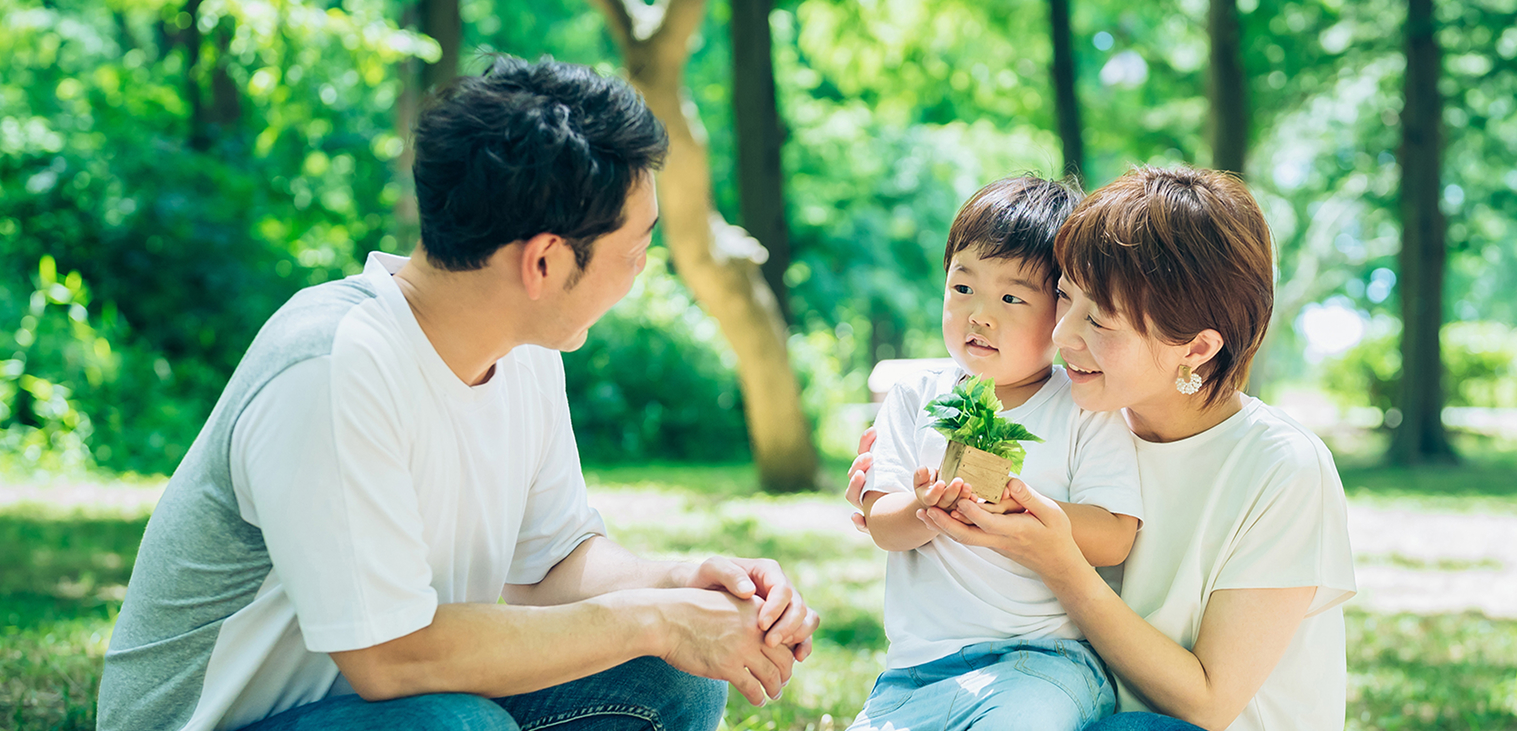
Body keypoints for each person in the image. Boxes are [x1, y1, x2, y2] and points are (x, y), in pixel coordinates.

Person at [98, 55, 819, 731]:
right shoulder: (333, 365)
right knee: (458, 725)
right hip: (226, 719)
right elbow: (391, 656)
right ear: (543, 261)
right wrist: (653, 619)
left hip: (379, 707)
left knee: (670, 678)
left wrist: (685, 583)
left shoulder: (524, 351)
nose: (641, 272)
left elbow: (553, 566)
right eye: (634, 252)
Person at [848, 167, 1356, 731]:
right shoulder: (1087, 418)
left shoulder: (1281, 468)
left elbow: (1207, 704)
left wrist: (1060, 562)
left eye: (1100, 320)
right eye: (1065, 299)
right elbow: (896, 510)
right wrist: (907, 504)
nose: (1062, 335)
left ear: (1197, 347)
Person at [850, 176, 1143, 731]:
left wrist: (1021, 508)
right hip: (915, 673)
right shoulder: (915, 398)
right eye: (963, 289)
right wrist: (925, 508)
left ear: (1062, 310)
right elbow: (881, 523)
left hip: (1041, 664)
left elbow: (1115, 535)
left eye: (1011, 297)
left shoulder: (1082, 407)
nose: (979, 315)